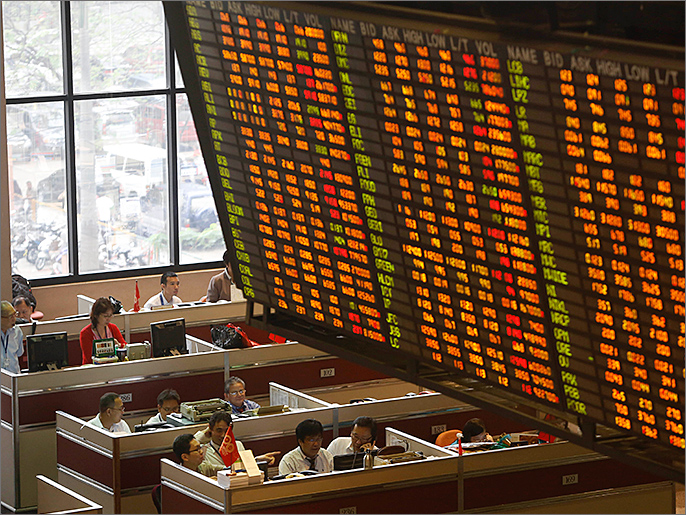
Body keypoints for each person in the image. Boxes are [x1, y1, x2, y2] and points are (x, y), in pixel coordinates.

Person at [193, 410, 280, 477]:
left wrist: (256, 460)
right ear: (211, 429)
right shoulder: (203, 451)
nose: (223, 435)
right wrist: (204, 432)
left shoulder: (238, 445)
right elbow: (190, 443)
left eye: (227, 431)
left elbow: (243, 467)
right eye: (219, 430)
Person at [79, 297, 126, 365]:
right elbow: (89, 358)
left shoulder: (113, 328)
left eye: (110, 315)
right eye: (105, 316)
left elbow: (125, 347)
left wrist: (118, 345)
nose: (108, 319)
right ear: (96, 315)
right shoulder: (85, 333)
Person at [1, 301, 25, 374]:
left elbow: (19, 353)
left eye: (15, 315)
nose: (14, 319)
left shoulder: (17, 332)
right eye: (10, 316)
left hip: (15, 376)